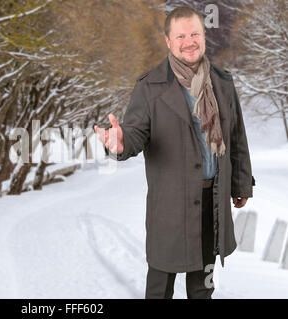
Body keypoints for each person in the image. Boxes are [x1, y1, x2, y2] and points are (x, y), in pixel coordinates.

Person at [94, 6, 255, 299]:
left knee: (203, 287)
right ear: (168, 41)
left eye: (194, 33)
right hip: (169, 207)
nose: (189, 41)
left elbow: (236, 138)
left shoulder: (222, 82)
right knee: (159, 288)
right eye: (180, 35)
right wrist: (120, 143)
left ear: (204, 36)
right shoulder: (150, 86)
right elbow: (135, 132)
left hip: (212, 203)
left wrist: (241, 184)